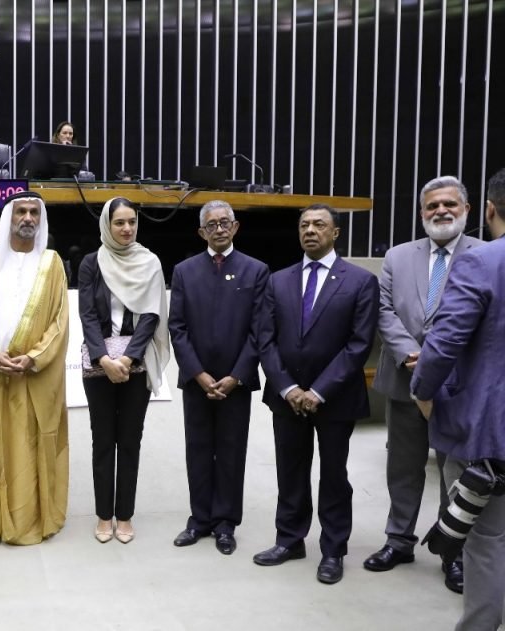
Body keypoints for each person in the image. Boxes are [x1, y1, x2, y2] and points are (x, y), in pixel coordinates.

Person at [365, 176, 481, 592]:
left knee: (456, 471)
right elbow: (382, 310)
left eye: (450, 204)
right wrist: (408, 353)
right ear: (421, 213)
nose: (441, 212)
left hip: (459, 386)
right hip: (404, 377)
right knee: (403, 466)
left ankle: (453, 550)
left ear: (467, 209)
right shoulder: (398, 256)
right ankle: (399, 540)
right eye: (432, 206)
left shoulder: (486, 256)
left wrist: (436, 359)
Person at [254, 203, 379, 585]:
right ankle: (290, 539)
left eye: (319, 224)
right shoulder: (278, 280)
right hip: (286, 397)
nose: (310, 230)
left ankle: (333, 550)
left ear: (335, 233)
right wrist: (289, 388)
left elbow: (359, 345)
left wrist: (319, 391)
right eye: (304, 225)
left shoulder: (359, 281)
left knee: (333, 475)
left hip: (335, 397)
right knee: (290, 472)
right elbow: (265, 339)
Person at [411, 168, 505, 631]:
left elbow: (443, 344)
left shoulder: (482, 262)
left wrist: (423, 393)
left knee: (486, 540)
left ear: (486, 210)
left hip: (491, 433)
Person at [0, 190, 69, 545]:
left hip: (29, 375)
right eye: (20, 211)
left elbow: (60, 322)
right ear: (9, 217)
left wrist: (34, 358)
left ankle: (27, 522)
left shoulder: (52, 263)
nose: (27, 218)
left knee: (27, 447)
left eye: (34, 213)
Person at [168, 200, 269, 555]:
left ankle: (226, 523)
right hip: (197, 381)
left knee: (230, 452)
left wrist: (236, 376)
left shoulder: (256, 271)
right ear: (201, 232)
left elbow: (259, 332)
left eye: (225, 222)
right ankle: (199, 520)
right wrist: (198, 373)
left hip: (234, 384)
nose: (220, 229)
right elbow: (177, 327)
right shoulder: (184, 271)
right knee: (197, 450)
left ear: (236, 227)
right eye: (212, 225)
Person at [78, 197, 169, 544]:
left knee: (129, 440)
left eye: (132, 222)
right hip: (100, 364)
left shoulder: (149, 262)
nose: (127, 229)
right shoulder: (91, 263)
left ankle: (125, 515)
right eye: (119, 222)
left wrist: (128, 359)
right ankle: (104, 515)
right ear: (107, 225)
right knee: (103, 440)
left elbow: (151, 315)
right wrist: (103, 359)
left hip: (136, 363)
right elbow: (86, 313)